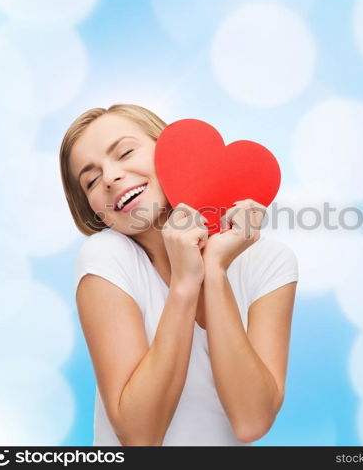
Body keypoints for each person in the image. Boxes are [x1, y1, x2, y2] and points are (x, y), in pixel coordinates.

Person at [59, 104, 299, 446]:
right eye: (91, 180)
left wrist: (214, 270)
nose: (110, 177)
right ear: (93, 210)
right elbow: (139, 436)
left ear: (170, 150)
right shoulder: (106, 257)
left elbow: (251, 422)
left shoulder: (270, 262)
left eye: (125, 151)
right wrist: (184, 285)